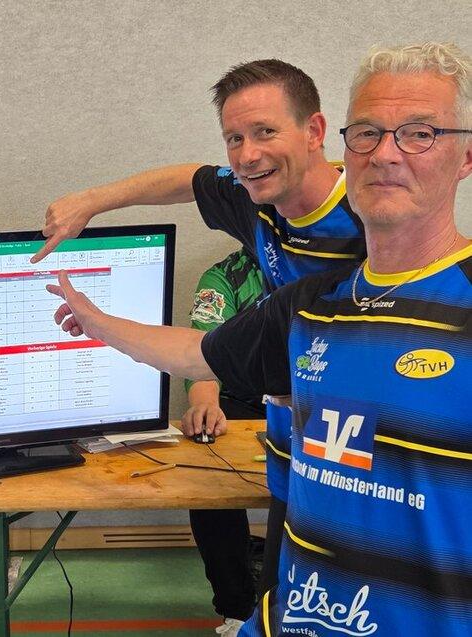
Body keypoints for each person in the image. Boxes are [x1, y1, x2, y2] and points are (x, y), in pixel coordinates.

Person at [49, 41, 472, 636]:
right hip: (304, 446)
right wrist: (91, 214)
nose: (385, 156)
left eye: (419, 134)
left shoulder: (381, 236)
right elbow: (200, 345)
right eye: (369, 134)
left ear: (316, 134)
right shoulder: (282, 255)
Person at [36, 60, 367, 626]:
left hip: (363, 440)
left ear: (314, 131)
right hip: (295, 429)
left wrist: (101, 324)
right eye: (235, 138)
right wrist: (93, 200)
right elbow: (190, 179)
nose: (247, 154)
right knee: (282, 599)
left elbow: (200, 354)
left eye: (265, 132)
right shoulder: (254, 198)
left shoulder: (367, 217)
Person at [182, 249, 266, 634]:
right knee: (207, 471)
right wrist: (204, 403)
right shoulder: (225, 278)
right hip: (241, 402)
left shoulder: (339, 262)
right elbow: (202, 351)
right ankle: (237, 610)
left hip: (317, 398)